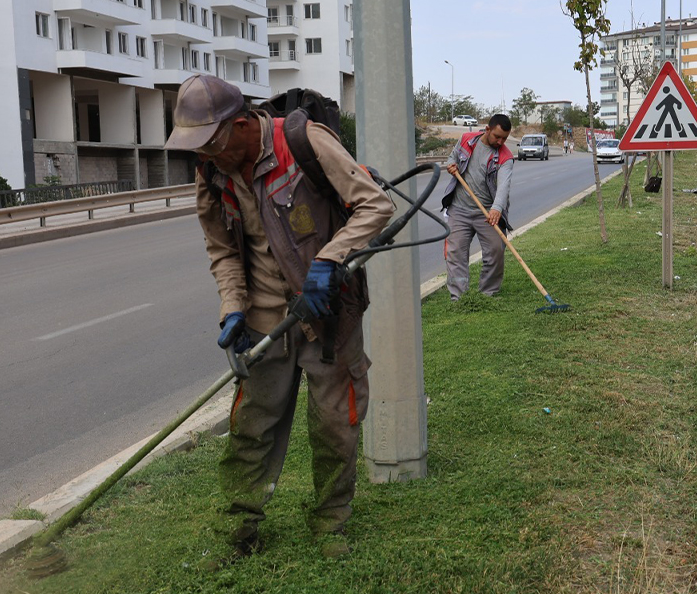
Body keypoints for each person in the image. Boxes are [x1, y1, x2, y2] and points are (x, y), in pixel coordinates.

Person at [164, 75, 394, 562]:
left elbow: (376, 205)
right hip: (265, 321)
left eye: (212, 144)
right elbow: (222, 251)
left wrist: (330, 262)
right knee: (252, 425)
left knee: (336, 423)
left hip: (330, 315)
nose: (205, 157)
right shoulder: (212, 174)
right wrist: (231, 310)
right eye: (197, 149)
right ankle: (241, 524)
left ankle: (331, 522)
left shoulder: (304, 142)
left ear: (243, 123)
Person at [440, 113, 515, 300]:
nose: (500, 141)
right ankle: (459, 297)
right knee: (455, 254)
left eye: (504, 138)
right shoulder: (467, 140)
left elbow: (504, 186)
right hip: (459, 208)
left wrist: (496, 208)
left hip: (487, 212)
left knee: (496, 250)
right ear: (487, 129)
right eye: (497, 136)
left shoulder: (505, 157)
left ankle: (487, 293)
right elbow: (452, 158)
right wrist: (451, 165)